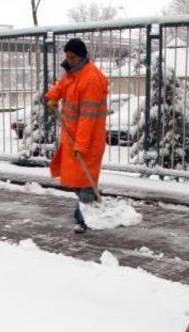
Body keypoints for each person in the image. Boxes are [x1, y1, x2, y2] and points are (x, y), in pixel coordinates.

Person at [45, 38, 108, 233]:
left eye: (72, 57)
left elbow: (87, 119)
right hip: (71, 136)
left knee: (86, 181)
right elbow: (61, 86)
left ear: (81, 56)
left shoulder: (91, 79)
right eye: (67, 56)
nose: (69, 60)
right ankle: (88, 206)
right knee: (74, 179)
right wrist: (53, 98)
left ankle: (85, 218)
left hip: (87, 139)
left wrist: (81, 145)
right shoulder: (72, 74)